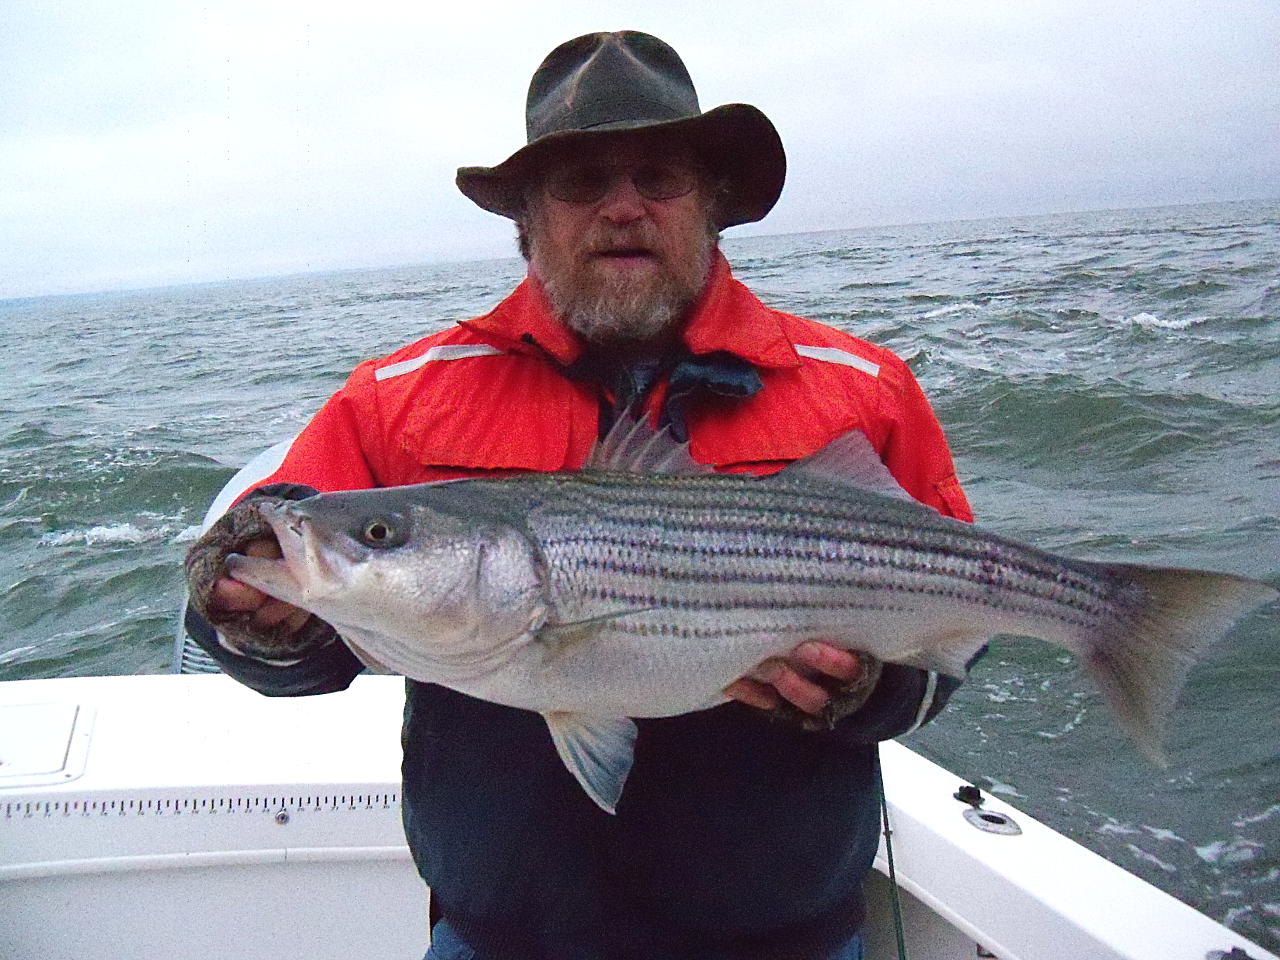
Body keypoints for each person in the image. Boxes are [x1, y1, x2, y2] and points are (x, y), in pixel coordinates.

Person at [185, 30, 976, 960]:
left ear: (714, 202)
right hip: (501, 936)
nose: (624, 208)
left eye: (659, 176)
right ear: (526, 216)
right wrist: (249, 615)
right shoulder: (397, 398)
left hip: (788, 935)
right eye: (581, 181)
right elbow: (297, 623)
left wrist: (872, 694)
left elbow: (962, 634)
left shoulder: (859, 386)